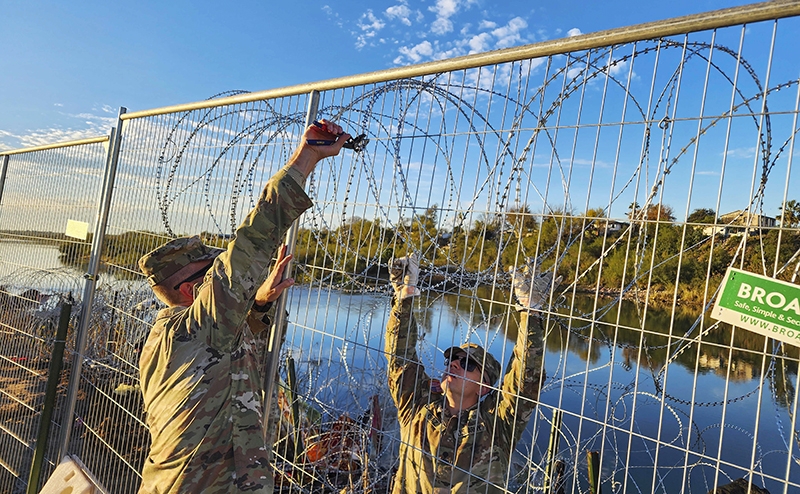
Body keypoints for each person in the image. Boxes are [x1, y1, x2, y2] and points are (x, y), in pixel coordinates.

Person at [136, 120, 350, 493]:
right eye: (211, 270)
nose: (222, 270)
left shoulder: (172, 336)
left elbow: (223, 360)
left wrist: (261, 302)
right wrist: (308, 156)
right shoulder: (198, 326)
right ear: (190, 290)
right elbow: (253, 239)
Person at [385, 254, 560, 494]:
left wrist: (530, 312)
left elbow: (524, 382)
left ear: (484, 387)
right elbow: (399, 359)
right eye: (452, 360)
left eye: (467, 364)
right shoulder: (416, 407)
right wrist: (404, 297)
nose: (453, 365)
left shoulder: (495, 426)